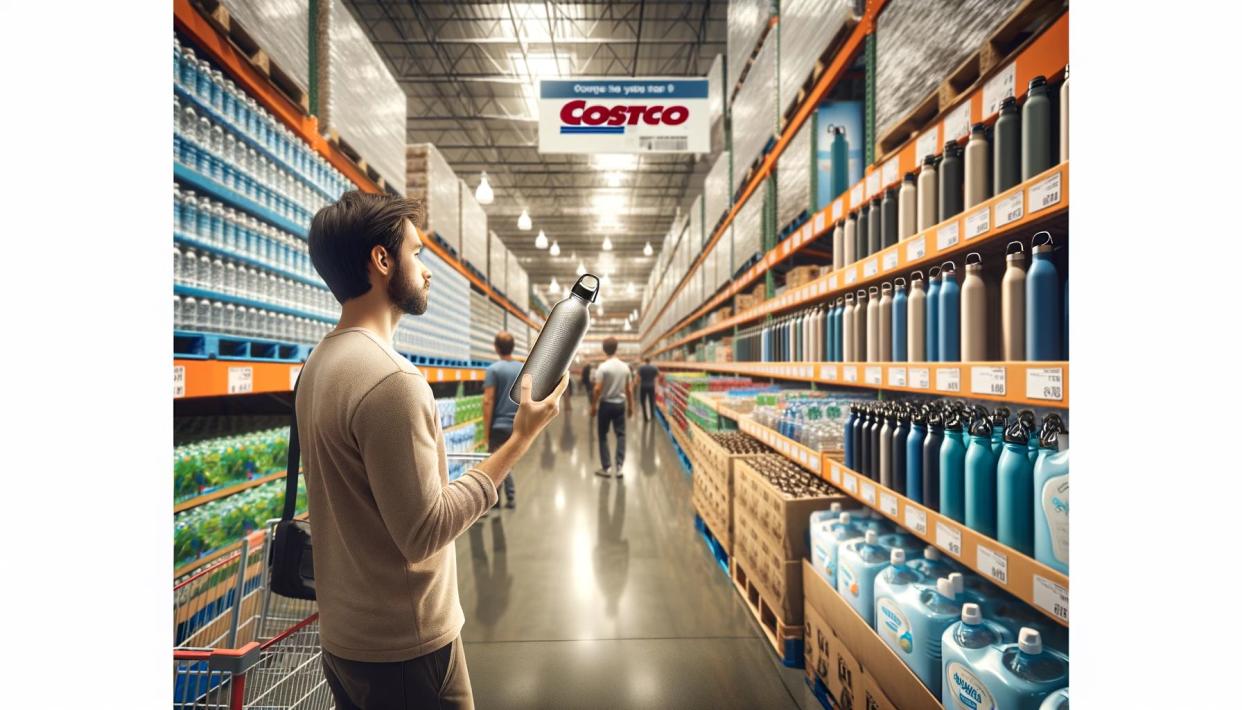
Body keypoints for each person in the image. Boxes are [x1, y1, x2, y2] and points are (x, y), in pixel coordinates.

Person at [296, 191, 566, 709]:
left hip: (345, 642)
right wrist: (521, 438)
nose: (428, 270)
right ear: (381, 260)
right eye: (416, 253)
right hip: (405, 650)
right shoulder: (393, 382)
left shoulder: (319, 365)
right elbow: (423, 532)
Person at [482, 331, 521, 510]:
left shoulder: (493, 369)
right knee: (507, 460)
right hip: (516, 425)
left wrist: (485, 433)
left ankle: (499, 499)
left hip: (498, 425)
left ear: (496, 348)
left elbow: (488, 401)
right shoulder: (522, 369)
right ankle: (509, 497)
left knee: (496, 462)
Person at [591, 337, 633, 478]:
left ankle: (607, 467)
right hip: (620, 405)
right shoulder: (625, 367)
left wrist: (593, 406)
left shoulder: (603, 368)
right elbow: (629, 390)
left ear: (604, 350)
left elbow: (597, 389)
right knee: (621, 434)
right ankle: (619, 467)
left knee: (603, 435)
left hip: (606, 405)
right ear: (617, 348)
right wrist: (631, 406)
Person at [636, 357, 659, 422]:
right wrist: (656, 387)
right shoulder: (654, 368)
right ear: (650, 360)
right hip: (651, 386)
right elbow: (657, 377)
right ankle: (652, 415)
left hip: (643, 386)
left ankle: (645, 417)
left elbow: (638, 378)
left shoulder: (641, 368)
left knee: (643, 401)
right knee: (652, 401)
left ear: (644, 361)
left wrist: (638, 382)